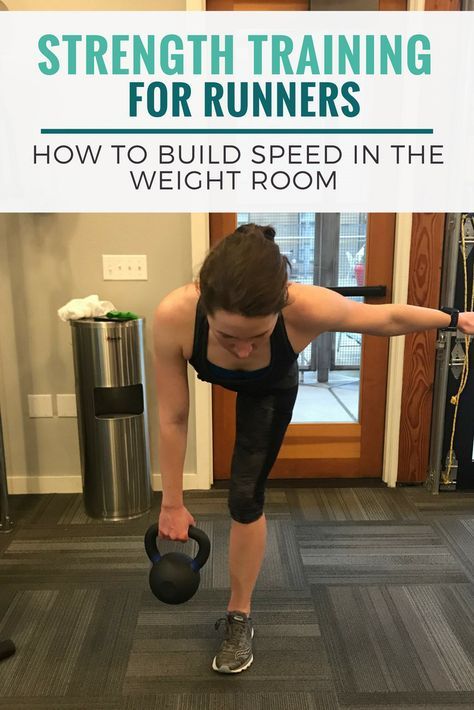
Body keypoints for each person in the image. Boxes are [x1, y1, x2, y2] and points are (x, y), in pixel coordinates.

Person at [153, 223, 474, 675]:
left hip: (270, 387)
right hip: (216, 356)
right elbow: (173, 416)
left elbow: (387, 319)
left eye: (258, 336)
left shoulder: (306, 306)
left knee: (245, 498)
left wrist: (454, 317)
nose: (243, 350)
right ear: (204, 301)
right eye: (228, 338)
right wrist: (171, 503)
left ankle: (239, 615)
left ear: (282, 303)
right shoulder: (173, 316)